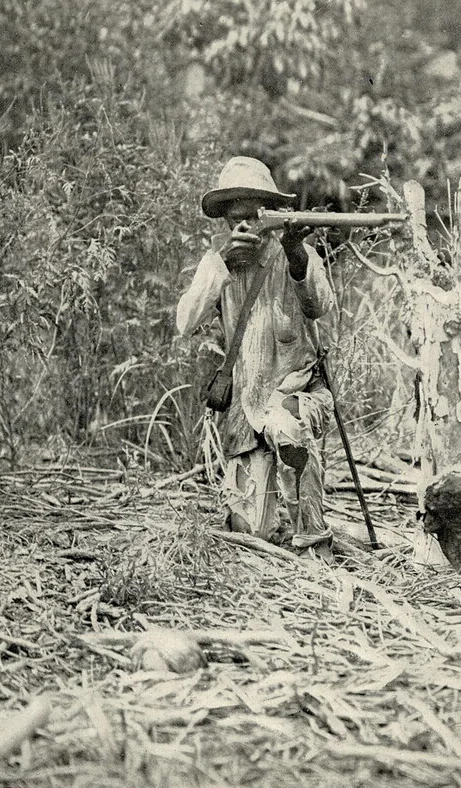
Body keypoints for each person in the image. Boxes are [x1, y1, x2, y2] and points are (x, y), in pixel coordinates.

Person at [177, 156, 334, 550]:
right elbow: (185, 322)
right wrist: (223, 264)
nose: (245, 226)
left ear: (272, 214)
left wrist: (297, 254)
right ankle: (274, 516)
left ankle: (314, 542)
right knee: (250, 533)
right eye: (235, 219)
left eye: (254, 215)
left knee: (288, 428)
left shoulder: (295, 253)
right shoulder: (220, 262)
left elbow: (320, 306)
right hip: (245, 412)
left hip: (297, 399)